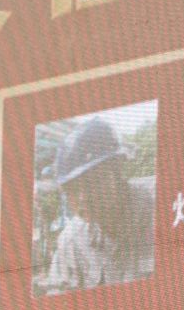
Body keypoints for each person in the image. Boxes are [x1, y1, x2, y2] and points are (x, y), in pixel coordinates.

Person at [32, 116, 146, 293]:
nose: (83, 198)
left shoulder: (158, 206)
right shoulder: (71, 240)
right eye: (71, 189)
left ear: (117, 172)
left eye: (92, 182)